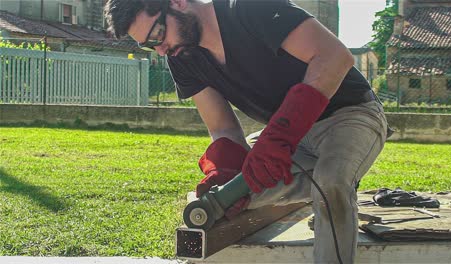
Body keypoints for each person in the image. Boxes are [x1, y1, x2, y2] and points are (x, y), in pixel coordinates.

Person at [104, 0, 389, 262]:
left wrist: (279, 138)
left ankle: (330, 189)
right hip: (289, 135)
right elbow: (222, 127)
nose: (160, 50)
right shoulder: (183, 57)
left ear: (177, 3)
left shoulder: (249, 8)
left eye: (158, 35)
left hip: (351, 114)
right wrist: (226, 170)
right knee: (228, 198)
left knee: (331, 182)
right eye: (148, 46)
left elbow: (335, 57)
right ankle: (316, 185)